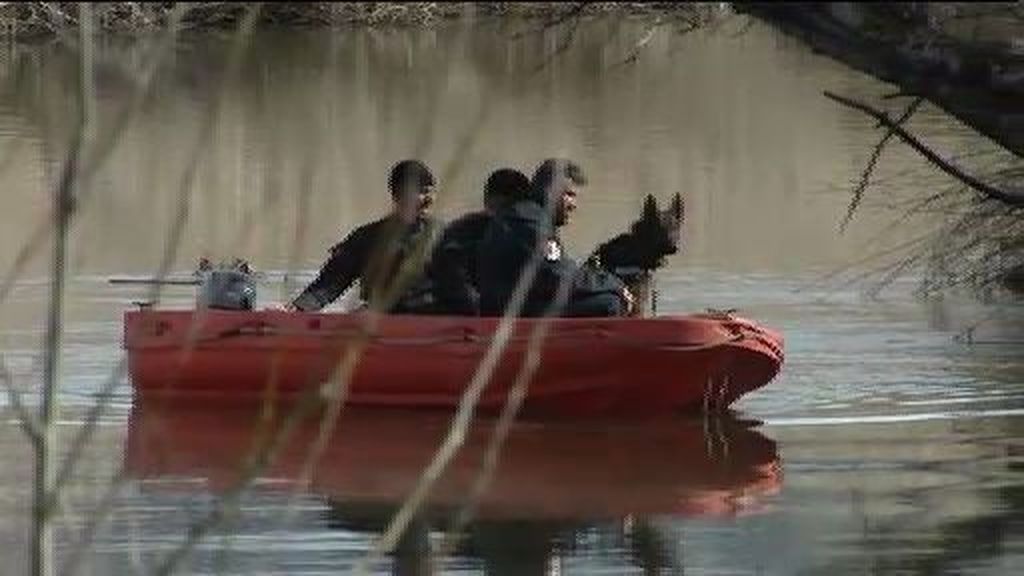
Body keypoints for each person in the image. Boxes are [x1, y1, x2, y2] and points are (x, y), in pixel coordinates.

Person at [476, 158, 633, 317]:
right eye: (569, 195)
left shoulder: (530, 216)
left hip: (516, 305)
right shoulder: (529, 221)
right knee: (610, 302)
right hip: (508, 315)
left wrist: (607, 282)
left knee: (601, 294)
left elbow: (559, 271)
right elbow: (559, 276)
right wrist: (615, 285)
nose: (574, 205)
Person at [289, 159, 441, 314]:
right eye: (420, 191)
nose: (428, 199)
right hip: (376, 323)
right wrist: (297, 308)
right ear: (398, 195)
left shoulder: (445, 237)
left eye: (429, 191)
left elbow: (457, 289)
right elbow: (330, 284)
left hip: (433, 323)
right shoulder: (366, 238)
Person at [431, 168, 532, 315]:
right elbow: (454, 282)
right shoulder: (463, 232)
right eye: (511, 206)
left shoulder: (526, 232)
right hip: (468, 322)